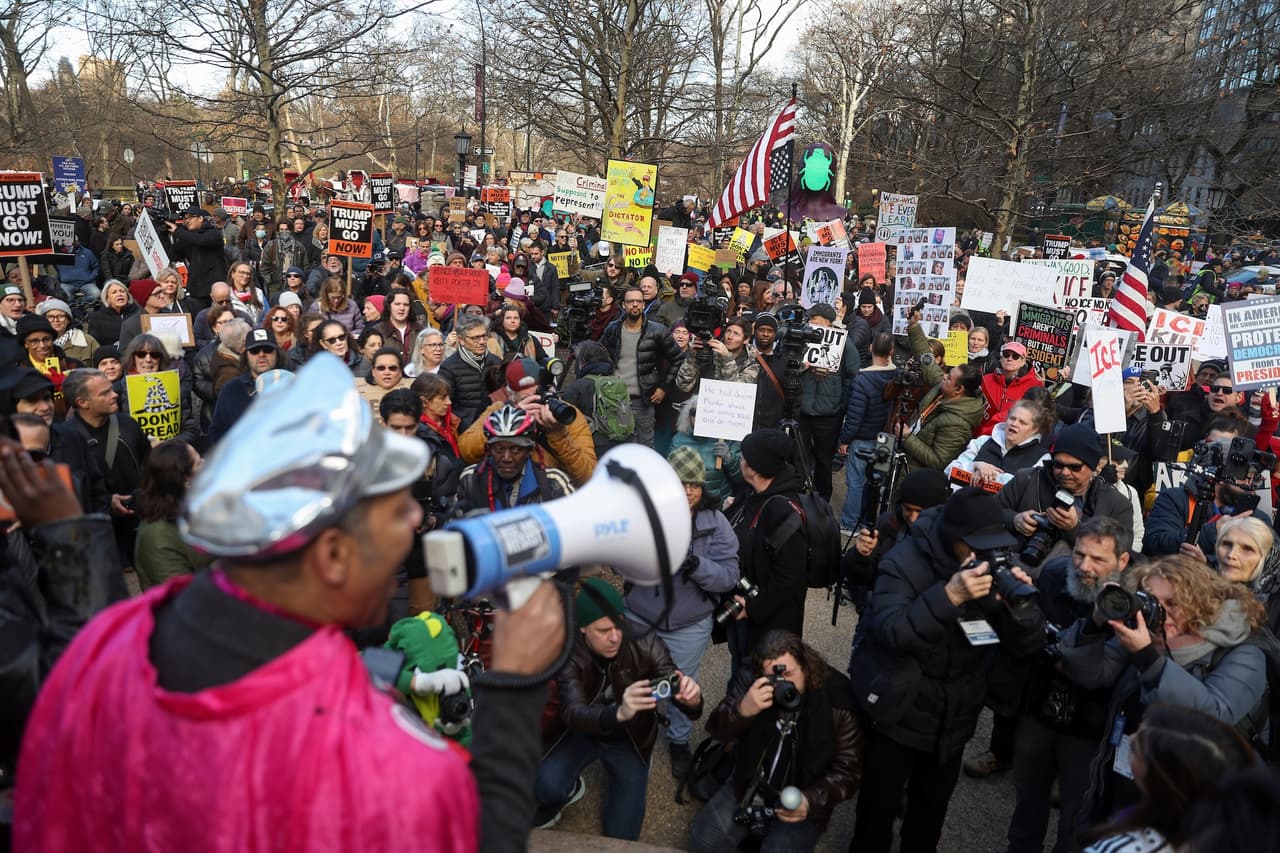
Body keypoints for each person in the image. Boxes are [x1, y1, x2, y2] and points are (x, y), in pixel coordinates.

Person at [15, 353, 567, 851]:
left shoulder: (113, 640)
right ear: (331, 556)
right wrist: (516, 686)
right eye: (395, 511)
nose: (418, 519)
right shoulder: (388, 769)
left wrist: (70, 540)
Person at [848, 488, 1045, 853]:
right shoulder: (903, 561)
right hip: (899, 711)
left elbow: (1026, 647)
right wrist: (949, 596)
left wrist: (1022, 610)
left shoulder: (993, 560)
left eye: (991, 544)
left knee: (928, 820)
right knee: (876, 817)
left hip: (954, 717)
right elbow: (892, 632)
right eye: (974, 545)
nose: (981, 554)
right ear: (953, 538)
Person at [1056, 554, 1271, 821]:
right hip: (1125, 772)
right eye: (1151, 601)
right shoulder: (1145, 634)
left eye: (1173, 603)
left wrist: (1147, 657)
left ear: (1200, 603)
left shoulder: (1244, 653)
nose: (1162, 613)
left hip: (1190, 794)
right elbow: (1090, 674)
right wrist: (1095, 623)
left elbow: (1214, 714)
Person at [1003, 517, 1135, 853]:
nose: (1084, 567)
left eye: (1097, 559)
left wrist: (1064, 651)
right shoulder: (1053, 574)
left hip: (1089, 728)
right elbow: (1033, 641)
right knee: (1027, 805)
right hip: (1038, 710)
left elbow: (1101, 672)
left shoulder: (1132, 601)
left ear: (1122, 561)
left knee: (1075, 820)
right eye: (1079, 554)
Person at [535, 577, 703, 839]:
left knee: (622, 838)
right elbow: (572, 713)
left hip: (630, 738)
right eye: (603, 630)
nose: (614, 637)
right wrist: (617, 712)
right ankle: (570, 787)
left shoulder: (644, 639)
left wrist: (692, 701)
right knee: (544, 788)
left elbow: (671, 679)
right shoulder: (567, 652)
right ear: (582, 629)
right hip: (585, 731)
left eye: (619, 626)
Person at [689, 631, 864, 853]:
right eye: (774, 677)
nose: (784, 684)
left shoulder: (837, 700)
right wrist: (743, 710)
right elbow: (715, 728)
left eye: (789, 673)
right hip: (750, 783)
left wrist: (810, 802)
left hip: (803, 795)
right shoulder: (751, 678)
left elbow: (849, 771)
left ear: (806, 666)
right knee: (703, 842)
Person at [626, 446, 740, 777]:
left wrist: (693, 564)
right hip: (641, 615)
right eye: (680, 483)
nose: (688, 491)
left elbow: (728, 576)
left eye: (694, 484)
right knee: (635, 678)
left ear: (703, 487)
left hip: (689, 623)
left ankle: (678, 741)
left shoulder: (716, 523)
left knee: (681, 683)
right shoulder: (645, 516)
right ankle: (633, 733)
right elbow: (623, 561)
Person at [1081, 705, 1258, 853]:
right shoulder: (1234, 838)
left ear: (1164, 779)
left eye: (1135, 747)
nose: (1131, 738)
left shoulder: (1127, 848)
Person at [725, 429, 809, 673]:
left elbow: (790, 577)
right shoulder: (752, 492)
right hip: (744, 612)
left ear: (755, 468)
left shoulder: (783, 511)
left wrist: (753, 608)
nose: (739, 461)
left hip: (769, 626)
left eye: (743, 458)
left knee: (758, 682)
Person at [998, 422, 1134, 562]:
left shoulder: (1116, 504)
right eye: (1058, 465)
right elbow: (990, 513)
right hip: (1016, 565)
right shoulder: (1027, 479)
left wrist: (1074, 529)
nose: (1065, 472)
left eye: (1075, 467)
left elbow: (1120, 553)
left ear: (1093, 467)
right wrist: (1015, 520)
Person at [457, 356, 597, 487]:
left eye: (537, 395)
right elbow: (466, 450)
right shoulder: (499, 409)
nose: (533, 400)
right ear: (510, 394)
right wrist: (511, 418)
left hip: (554, 494)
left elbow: (589, 475)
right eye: (526, 398)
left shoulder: (567, 414)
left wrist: (558, 434)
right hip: (508, 490)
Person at [62, 367, 152, 563]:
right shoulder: (65, 439)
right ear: (82, 402)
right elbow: (68, 494)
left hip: (141, 525)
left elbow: (149, 463)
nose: (114, 395)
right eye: (105, 393)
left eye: (111, 389)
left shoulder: (128, 424)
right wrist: (106, 500)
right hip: (101, 538)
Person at [1144, 425, 1273, 559]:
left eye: (1254, 478)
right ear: (1221, 475)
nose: (1250, 484)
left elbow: (1267, 566)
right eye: (1245, 476)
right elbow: (1155, 542)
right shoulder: (1175, 499)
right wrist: (1215, 530)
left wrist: (1207, 565)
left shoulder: (1259, 519)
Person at [600, 285, 684, 447]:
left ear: (644, 304)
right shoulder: (612, 330)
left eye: (639, 301)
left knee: (644, 446)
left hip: (643, 401)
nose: (635, 305)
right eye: (631, 301)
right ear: (623, 305)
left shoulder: (658, 331)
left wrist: (663, 387)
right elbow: (601, 359)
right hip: (616, 400)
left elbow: (677, 358)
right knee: (618, 444)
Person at [901, 315, 985, 474]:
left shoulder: (958, 425)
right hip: (903, 464)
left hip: (914, 476)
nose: (943, 376)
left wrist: (907, 437)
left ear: (958, 390)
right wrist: (914, 326)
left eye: (949, 378)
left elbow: (939, 462)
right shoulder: (943, 388)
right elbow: (927, 361)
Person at [455, 404, 575, 512]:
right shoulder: (471, 479)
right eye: (499, 449)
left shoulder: (553, 482)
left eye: (516, 450)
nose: (507, 458)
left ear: (529, 450)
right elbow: (455, 528)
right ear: (489, 449)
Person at [798, 303, 859, 500]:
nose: (809, 323)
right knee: (799, 456)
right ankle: (798, 494)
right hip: (804, 409)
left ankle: (822, 499)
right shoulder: (803, 338)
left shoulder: (844, 343)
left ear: (825, 321)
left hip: (829, 414)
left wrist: (840, 403)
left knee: (824, 460)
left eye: (813, 319)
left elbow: (853, 372)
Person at [133, 439, 213, 589]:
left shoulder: (197, 506)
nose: (206, 462)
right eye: (198, 463)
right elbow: (183, 596)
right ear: (185, 479)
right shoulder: (157, 536)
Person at [945, 397, 1052, 490]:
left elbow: (1027, 491)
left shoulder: (1042, 458)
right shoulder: (983, 441)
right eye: (1012, 418)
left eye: (1022, 422)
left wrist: (991, 476)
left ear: (1035, 429)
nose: (1014, 424)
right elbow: (950, 469)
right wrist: (976, 466)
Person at [208, 328, 286, 443]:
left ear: (276, 353)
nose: (261, 354)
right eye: (254, 350)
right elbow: (217, 433)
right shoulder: (231, 390)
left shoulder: (293, 385)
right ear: (246, 355)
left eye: (268, 349)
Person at [437, 314, 503, 430]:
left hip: (496, 424)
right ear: (461, 340)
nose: (482, 342)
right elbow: (444, 403)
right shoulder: (449, 367)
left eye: (484, 336)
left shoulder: (496, 362)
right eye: (475, 338)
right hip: (465, 428)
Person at [166, 205, 228, 312]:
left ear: (200, 218)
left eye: (190, 217)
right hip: (196, 289)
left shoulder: (213, 234)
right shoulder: (188, 237)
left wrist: (178, 232)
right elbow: (173, 255)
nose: (187, 221)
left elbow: (200, 240)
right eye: (185, 218)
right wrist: (166, 236)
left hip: (213, 289)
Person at [976, 341, 1044, 436]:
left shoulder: (1034, 385)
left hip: (1011, 438)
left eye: (1015, 356)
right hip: (981, 436)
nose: (1009, 359)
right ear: (1001, 358)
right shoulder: (986, 380)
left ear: (1023, 361)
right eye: (1006, 355)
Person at [359, 347, 413, 424]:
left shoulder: (414, 387)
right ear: (373, 372)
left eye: (392, 368)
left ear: (400, 372)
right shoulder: (356, 389)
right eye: (381, 368)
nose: (387, 372)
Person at [37, 298, 99, 365]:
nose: (56, 320)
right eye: (50, 317)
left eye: (61, 316)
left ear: (68, 320)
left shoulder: (88, 341)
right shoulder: (35, 343)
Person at [87, 279, 139, 348]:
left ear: (128, 295)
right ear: (107, 298)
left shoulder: (138, 312)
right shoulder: (96, 318)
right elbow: (95, 346)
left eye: (122, 291)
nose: (119, 294)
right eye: (114, 292)